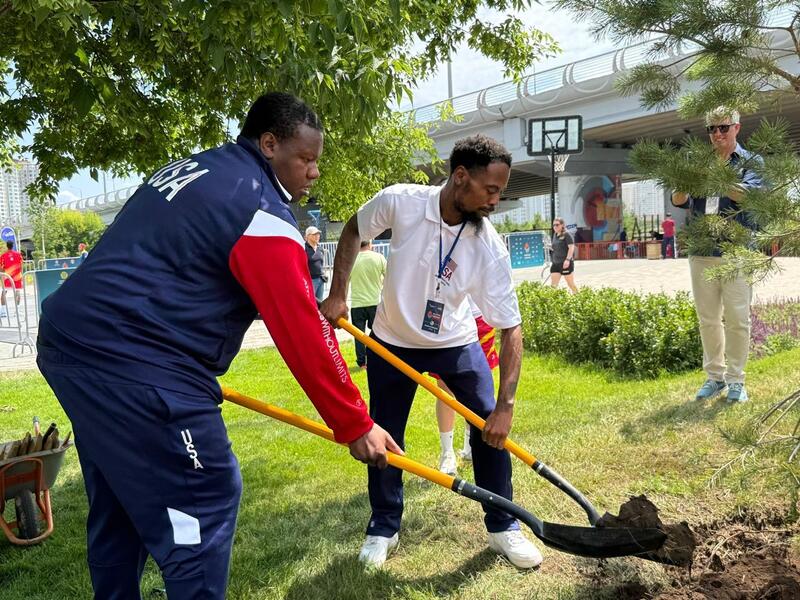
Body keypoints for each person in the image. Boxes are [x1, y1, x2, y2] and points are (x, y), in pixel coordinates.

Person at [36, 92, 400, 600]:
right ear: (269, 144)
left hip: (72, 339)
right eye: (306, 158)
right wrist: (355, 423)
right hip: (136, 355)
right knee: (204, 493)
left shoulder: (196, 169)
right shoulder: (262, 212)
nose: (314, 172)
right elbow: (300, 331)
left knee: (122, 493)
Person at [321, 134, 542, 570]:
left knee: (487, 426)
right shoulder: (400, 202)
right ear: (461, 177)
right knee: (384, 434)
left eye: (501, 191)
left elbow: (510, 329)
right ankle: (384, 525)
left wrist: (506, 406)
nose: (496, 201)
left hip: (454, 344)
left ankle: (503, 526)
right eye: (491, 190)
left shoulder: (488, 245)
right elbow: (352, 228)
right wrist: (337, 293)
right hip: (391, 340)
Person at [671, 106, 763, 403]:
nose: (717, 134)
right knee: (708, 319)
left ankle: (736, 380)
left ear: (737, 127)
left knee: (738, 318)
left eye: (723, 128)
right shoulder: (699, 162)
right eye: (712, 129)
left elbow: (748, 196)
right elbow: (678, 199)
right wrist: (683, 185)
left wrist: (718, 176)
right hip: (701, 251)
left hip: (736, 251)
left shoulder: (752, 162)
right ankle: (715, 377)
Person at [434, 299, 499, 475]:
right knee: (444, 387)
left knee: (478, 385)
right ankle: (447, 452)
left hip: (479, 316)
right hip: (447, 319)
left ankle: (470, 445)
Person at [349, 239, 387, 368]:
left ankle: (361, 362)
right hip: (374, 302)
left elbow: (345, 281)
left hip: (356, 303)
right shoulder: (379, 258)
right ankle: (378, 357)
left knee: (359, 335)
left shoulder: (351, 259)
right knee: (378, 333)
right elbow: (388, 277)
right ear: (370, 244)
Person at [550, 217, 577, 293]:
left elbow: (571, 247)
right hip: (555, 263)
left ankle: (579, 297)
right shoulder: (555, 235)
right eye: (554, 225)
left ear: (562, 225)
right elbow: (555, 247)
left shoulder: (567, 234)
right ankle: (552, 303)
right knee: (553, 286)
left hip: (565, 263)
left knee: (570, 284)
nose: (555, 227)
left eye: (557, 225)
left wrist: (567, 260)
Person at [0, 241, 23, 317]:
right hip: (17, 278)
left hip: (7, 277)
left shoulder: (3, 256)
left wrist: (3, 274)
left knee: (4, 293)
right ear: (13, 246)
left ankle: (3, 312)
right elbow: (21, 266)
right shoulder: (19, 255)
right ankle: (17, 312)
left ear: (7, 246)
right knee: (17, 293)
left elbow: (1, 267)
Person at [304, 225, 326, 302]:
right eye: (315, 234)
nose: (317, 236)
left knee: (320, 303)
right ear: (308, 236)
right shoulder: (304, 248)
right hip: (310, 280)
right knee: (311, 302)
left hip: (321, 279)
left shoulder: (320, 248)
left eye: (318, 234)